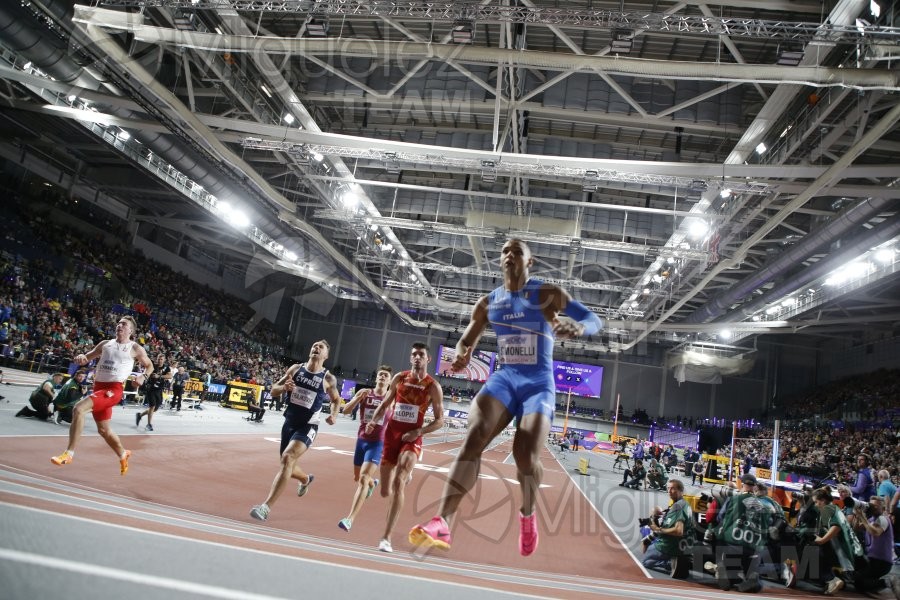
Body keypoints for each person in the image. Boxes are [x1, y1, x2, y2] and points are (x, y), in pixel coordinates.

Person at [409, 239, 603, 557]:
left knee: (525, 455)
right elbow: (465, 340)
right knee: (474, 437)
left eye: (517, 251)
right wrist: (461, 355)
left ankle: (527, 514)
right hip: (505, 378)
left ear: (531, 261)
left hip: (538, 384)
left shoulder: (546, 294)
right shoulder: (488, 303)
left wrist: (580, 328)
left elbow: (595, 319)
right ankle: (442, 520)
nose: (509, 255)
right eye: (505, 252)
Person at [249, 340, 340, 521]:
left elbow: (336, 400)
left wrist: (334, 415)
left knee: (288, 457)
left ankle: (265, 507)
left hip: (308, 425)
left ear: (326, 356)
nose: (316, 348)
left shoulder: (328, 378)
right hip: (289, 422)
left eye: (320, 348)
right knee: (286, 464)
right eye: (314, 345)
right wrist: (284, 387)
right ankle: (305, 479)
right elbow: (274, 390)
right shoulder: (296, 369)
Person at [50, 316, 153, 475]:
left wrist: (142, 377)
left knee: (79, 409)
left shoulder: (135, 348)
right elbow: (86, 358)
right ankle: (122, 454)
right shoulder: (105, 344)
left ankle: (68, 454)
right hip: (98, 388)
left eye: (123, 324)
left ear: (130, 330)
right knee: (103, 430)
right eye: (118, 323)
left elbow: (149, 366)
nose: (119, 326)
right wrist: (80, 358)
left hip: (113, 389)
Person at [366, 343, 443, 553]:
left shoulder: (432, 386)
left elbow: (440, 421)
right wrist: (374, 420)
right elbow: (385, 404)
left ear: (428, 360)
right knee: (385, 491)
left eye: (421, 355)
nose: (417, 357)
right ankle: (394, 478)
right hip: (392, 435)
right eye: (414, 354)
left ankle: (386, 538)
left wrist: (419, 432)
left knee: (399, 481)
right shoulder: (399, 378)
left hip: (412, 437)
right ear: (411, 359)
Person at [337, 364, 392, 532]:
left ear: (390, 380)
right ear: (377, 378)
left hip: (378, 443)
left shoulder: (392, 398)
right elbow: (345, 411)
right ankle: (371, 484)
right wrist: (357, 398)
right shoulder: (365, 393)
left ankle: (349, 519)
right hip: (361, 441)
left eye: (386, 376)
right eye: (381, 374)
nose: (382, 377)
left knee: (362, 479)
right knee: (358, 477)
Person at [641, 479, 694, 577]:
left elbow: (679, 531)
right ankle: (672, 559)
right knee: (649, 534)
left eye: (672, 488)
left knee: (645, 561)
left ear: (680, 490)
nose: (669, 491)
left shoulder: (679, 507)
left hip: (670, 545)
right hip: (682, 543)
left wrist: (658, 529)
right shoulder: (683, 504)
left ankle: (669, 563)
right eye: (668, 488)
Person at [851, 496, 896, 593]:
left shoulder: (883, 519)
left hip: (882, 562)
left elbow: (875, 532)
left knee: (859, 583)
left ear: (883, 508)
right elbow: (856, 528)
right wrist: (857, 516)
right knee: (855, 574)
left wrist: (862, 517)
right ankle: (872, 582)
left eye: (876, 506)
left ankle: (886, 582)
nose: (873, 507)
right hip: (872, 559)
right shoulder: (872, 519)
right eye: (872, 505)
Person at [136, 353, 171, 431]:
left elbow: (170, 376)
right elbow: (146, 373)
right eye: (158, 359)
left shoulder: (166, 368)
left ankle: (140, 415)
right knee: (152, 406)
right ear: (156, 359)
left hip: (159, 389)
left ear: (164, 360)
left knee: (155, 409)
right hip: (150, 388)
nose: (160, 360)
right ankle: (149, 425)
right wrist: (147, 376)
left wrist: (159, 376)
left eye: (161, 359)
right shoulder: (152, 366)